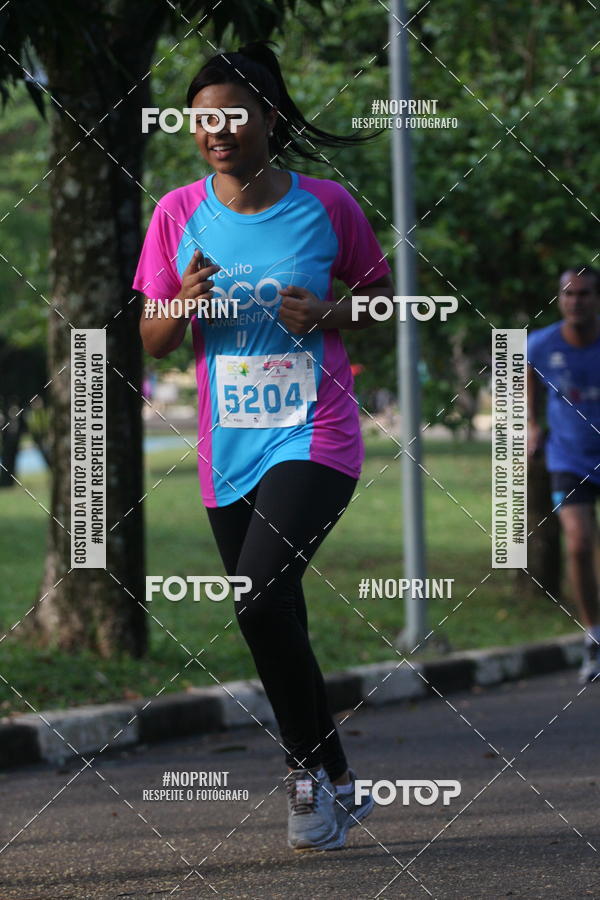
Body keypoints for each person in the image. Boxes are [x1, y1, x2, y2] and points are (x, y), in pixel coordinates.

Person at [134, 41, 394, 850]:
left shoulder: (328, 205)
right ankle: (343, 778)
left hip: (316, 434)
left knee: (256, 595)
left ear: (269, 120)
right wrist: (181, 301)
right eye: (202, 120)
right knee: (272, 609)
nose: (215, 131)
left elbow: (383, 302)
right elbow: (154, 341)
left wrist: (331, 315)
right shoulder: (177, 212)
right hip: (229, 446)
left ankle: (307, 779)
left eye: (232, 117)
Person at [527, 266, 600, 683]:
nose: (576, 302)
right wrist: (532, 428)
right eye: (568, 294)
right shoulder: (540, 344)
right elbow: (530, 392)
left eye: (585, 294)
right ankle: (593, 635)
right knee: (579, 544)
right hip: (568, 459)